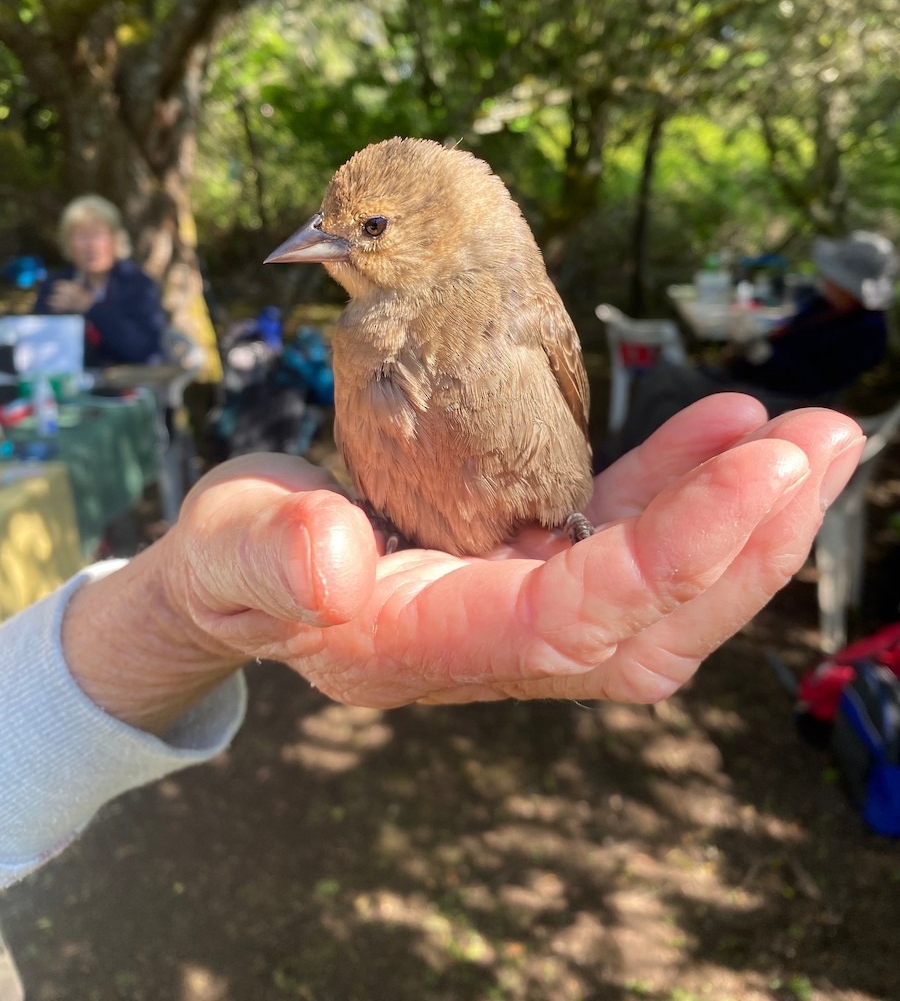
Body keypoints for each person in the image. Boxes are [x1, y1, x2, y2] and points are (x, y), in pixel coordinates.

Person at [0, 396, 864, 888]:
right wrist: (190, 598)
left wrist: (176, 606)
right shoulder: (356, 336)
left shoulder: (510, 293)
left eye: (367, 228)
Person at [610, 230, 897, 458]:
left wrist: (761, 354)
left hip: (785, 401)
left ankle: (634, 464)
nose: (826, 278)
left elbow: (810, 380)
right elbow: (791, 334)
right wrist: (749, 347)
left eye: (834, 276)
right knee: (664, 376)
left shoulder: (868, 332)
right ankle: (625, 456)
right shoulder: (824, 304)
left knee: (667, 390)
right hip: (751, 377)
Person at [33, 194, 166, 368]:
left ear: (115, 240)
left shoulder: (137, 284)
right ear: (68, 243)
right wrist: (54, 317)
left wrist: (91, 307)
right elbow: (35, 346)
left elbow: (143, 350)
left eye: (98, 235)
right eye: (81, 236)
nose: (91, 245)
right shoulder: (57, 285)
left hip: (129, 384)